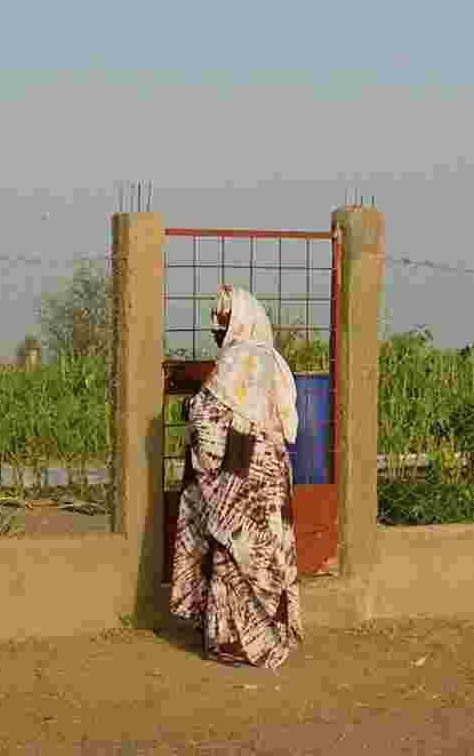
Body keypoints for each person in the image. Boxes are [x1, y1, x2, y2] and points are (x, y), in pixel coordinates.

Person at [169, 284, 303, 669]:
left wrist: (190, 406)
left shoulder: (238, 360)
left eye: (221, 324)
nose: (216, 332)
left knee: (235, 551)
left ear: (238, 323)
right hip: (270, 476)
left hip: (239, 477)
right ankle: (271, 639)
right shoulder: (271, 359)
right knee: (267, 552)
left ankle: (240, 644)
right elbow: (285, 424)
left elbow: (207, 418)